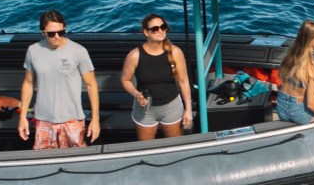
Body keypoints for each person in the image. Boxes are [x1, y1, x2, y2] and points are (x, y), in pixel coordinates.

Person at [17, 10, 101, 148]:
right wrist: (22, 119)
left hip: (72, 120)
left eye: (60, 32)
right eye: (51, 34)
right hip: (43, 120)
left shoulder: (79, 51)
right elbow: (28, 83)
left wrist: (95, 120)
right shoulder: (33, 50)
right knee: (44, 162)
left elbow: (91, 85)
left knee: (76, 161)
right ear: (43, 32)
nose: (56, 37)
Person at [119, 13, 195, 141]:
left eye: (163, 27)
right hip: (145, 111)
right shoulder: (134, 55)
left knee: (174, 146)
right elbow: (125, 80)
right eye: (155, 29)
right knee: (146, 148)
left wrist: (188, 110)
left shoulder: (175, 52)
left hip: (172, 108)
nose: (160, 31)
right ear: (146, 32)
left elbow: (184, 82)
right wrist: (136, 94)